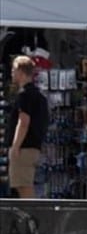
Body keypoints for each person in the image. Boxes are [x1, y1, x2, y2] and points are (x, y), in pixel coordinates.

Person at [6, 55, 49, 198]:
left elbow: (23, 122)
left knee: (23, 187)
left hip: (24, 148)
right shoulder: (39, 96)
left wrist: (15, 146)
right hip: (33, 147)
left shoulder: (25, 95)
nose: (11, 73)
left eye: (13, 70)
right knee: (22, 186)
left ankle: (34, 218)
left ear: (20, 71)